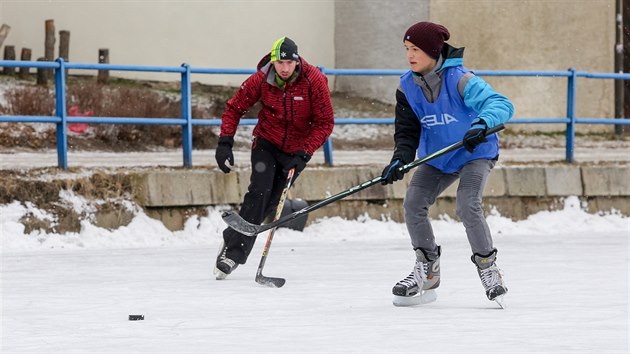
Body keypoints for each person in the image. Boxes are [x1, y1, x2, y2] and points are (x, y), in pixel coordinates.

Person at [380, 22, 514, 304]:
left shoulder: (460, 79)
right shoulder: (406, 86)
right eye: (407, 49)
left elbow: (501, 104)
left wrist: (481, 124)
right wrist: (399, 159)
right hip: (439, 157)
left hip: (474, 152)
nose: (410, 55)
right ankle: (427, 270)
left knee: (467, 204)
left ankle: (488, 268)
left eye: (416, 49)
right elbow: (407, 132)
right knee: (414, 203)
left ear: (432, 50)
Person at [214, 36, 334, 279]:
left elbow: (325, 122)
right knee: (259, 193)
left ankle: (230, 238)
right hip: (267, 143)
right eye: (280, 63)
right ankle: (233, 255)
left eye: (290, 63)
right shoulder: (261, 79)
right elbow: (235, 107)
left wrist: (305, 152)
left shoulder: (314, 80)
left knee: (272, 204)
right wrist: (225, 142)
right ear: (273, 61)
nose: (285, 68)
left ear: (297, 62)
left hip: (296, 150)